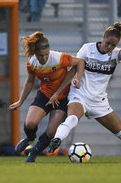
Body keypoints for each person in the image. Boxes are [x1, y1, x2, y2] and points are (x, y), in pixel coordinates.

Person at [46, 13, 121, 161]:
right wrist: (69, 84)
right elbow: (74, 69)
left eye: (113, 45)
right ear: (102, 38)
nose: (110, 47)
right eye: (108, 43)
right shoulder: (87, 49)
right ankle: (57, 139)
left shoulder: (114, 55)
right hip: (80, 95)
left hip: (99, 101)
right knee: (72, 118)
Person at [9, 31, 84, 162]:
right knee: (30, 123)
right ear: (34, 53)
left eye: (46, 55)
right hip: (45, 95)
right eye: (40, 55)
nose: (44, 59)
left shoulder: (59, 58)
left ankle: (33, 153)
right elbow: (29, 81)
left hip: (61, 98)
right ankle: (29, 138)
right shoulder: (31, 62)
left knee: (51, 131)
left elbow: (80, 62)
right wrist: (20, 101)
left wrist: (77, 78)